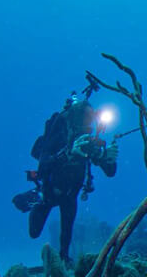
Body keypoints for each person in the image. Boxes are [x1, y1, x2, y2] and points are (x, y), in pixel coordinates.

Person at [12, 94, 118, 263]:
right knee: (34, 232)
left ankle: (64, 258)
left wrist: (109, 158)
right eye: (86, 118)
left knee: (67, 228)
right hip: (50, 191)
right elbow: (43, 165)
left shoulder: (89, 141)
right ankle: (35, 197)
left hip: (71, 194)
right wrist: (67, 154)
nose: (89, 124)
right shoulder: (59, 136)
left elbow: (110, 172)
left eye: (91, 119)